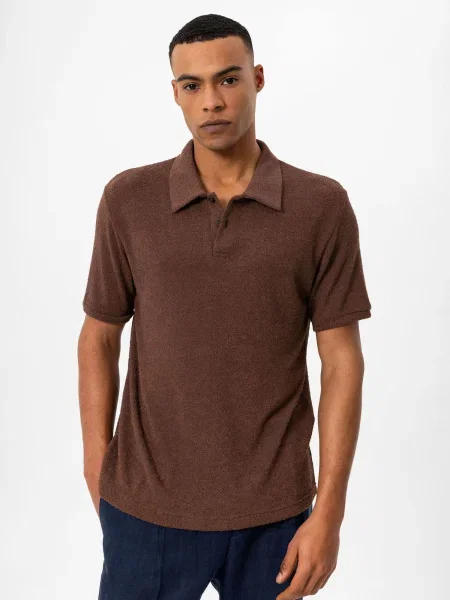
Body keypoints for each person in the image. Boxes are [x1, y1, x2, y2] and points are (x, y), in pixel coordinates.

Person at [78, 13, 372, 600]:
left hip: (276, 515)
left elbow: (341, 361)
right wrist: (97, 467)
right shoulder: (128, 200)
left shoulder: (320, 206)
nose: (211, 101)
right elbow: (99, 336)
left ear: (258, 79)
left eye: (228, 79)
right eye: (193, 85)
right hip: (144, 509)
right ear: (175, 94)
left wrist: (330, 513)